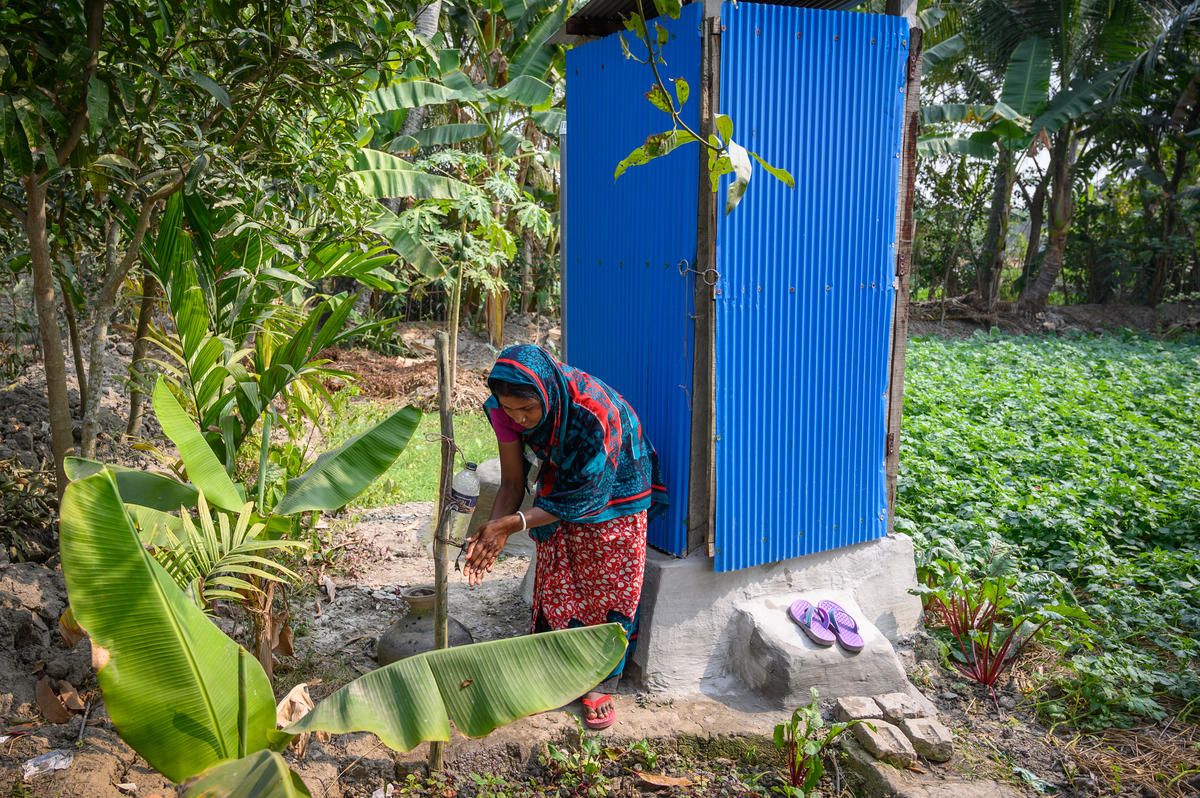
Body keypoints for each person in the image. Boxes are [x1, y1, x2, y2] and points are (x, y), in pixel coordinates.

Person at [464, 344, 666, 730]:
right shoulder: (503, 410)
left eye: (528, 411)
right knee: (560, 575)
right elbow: (511, 481)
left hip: (616, 482)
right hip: (564, 476)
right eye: (511, 411)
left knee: (609, 583)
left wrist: (509, 525)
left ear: (548, 394)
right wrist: (490, 534)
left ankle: (599, 679)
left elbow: (587, 497)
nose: (520, 420)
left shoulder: (594, 413)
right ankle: (557, 667)